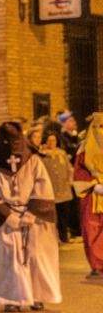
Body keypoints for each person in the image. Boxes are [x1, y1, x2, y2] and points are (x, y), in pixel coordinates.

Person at [0, 122, 61, 312]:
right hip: (7, 218)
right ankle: (12, 298)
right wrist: (7, 215)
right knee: (9, 258)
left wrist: (32, 213)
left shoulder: (33, 160)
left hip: (33, 217)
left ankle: (37, 295)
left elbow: (42, 186)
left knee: (36, 256)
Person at [74, 114, 103, 279]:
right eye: (98, 127)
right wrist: (94, 185)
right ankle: (96, 265)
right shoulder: (84, 149)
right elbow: (78, 172)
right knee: (92, 228)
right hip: (92, 194)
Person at [39, 132, 77, 244]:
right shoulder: (42, 154)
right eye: (49, 140)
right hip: (51, 189)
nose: (52, 143)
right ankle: (54, 237)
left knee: (64, 214)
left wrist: (70, 180)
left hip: (63, 188)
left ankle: (64, 236)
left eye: (54, 140)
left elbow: (69, 168)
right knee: (53, 215)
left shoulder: (62, 153)